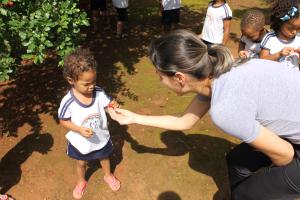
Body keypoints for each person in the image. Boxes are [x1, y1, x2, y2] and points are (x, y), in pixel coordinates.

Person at [108, 29, 300, 199]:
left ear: (180, 78)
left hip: (291, 148)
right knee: (236, 160)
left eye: (160, 76)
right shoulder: (220, 72)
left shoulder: (224, 107)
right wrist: (134, 118)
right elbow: (184, 122)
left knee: (247, 193)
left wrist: (269, 181)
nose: (160, 82)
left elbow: (285, 155)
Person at [58, 47, 120, 199]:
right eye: (86, 84)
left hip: (100, 136)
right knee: (81, 163)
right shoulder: (68, 102)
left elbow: (107, 104)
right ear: (71, 80)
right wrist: (78, 129)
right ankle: (81, 181)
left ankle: (108, 175)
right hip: (81, 141)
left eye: (94, 81)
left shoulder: (98, 92)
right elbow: (63, 120)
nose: (91, 86)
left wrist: (113, 105)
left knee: (104, 158)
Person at [260, 0, 300, 70]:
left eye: (298, 28)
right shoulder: (270, 38)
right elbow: (262, 60)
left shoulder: (298, 38)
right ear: (279, 23)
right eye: (290, 28)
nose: (294, 32)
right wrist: (279, 54)